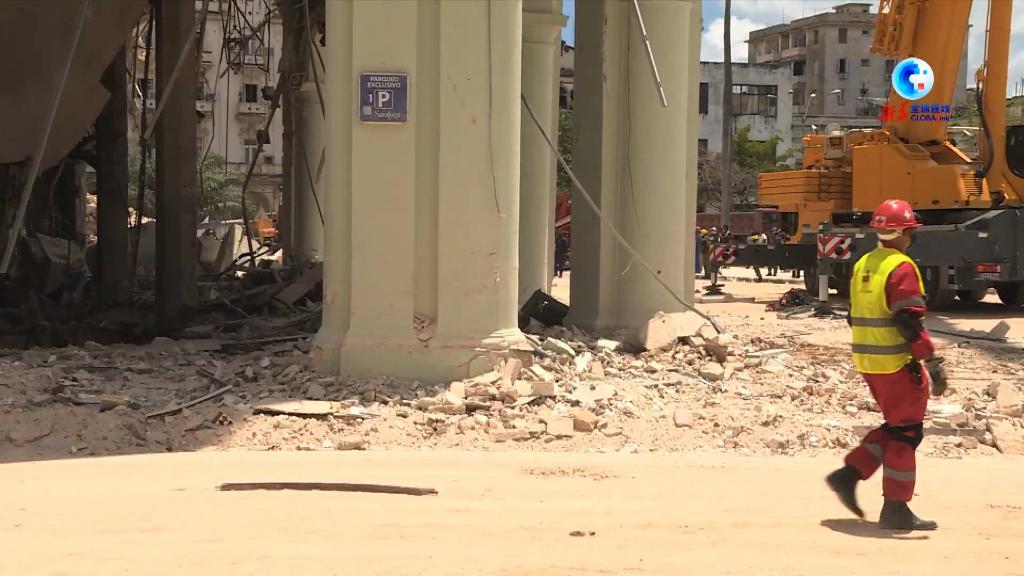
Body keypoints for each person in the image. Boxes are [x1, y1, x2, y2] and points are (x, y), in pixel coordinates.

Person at [825, 199, 947, 532]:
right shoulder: (901, 267)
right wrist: (930, 359)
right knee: (906, 433)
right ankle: (895, 508)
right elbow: (908, 321)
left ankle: (849, 474)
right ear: (906, 232)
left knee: (896, 427)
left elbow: (853, 316)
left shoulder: (865, 263)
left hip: (869, 362)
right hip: (896, 363)